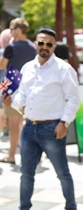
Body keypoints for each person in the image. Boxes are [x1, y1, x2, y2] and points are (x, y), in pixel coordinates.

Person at [3, 27, 80, 210]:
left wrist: (64, 123)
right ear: (35, 43)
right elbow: (22, 95)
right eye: (41, 43)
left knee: (62, 173)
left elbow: (73, 99)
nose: (44, 47)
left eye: (48, 44)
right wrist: (12, 101)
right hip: (29, 128)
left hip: (52, 129)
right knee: (26, 173)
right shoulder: (28, 67)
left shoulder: (64, 69)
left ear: (54, 46)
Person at [0, 18, 36, 165]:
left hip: (13, 89)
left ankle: (11, 156)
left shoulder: (11, 47)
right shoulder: (33, 47)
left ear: (19, 30)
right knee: (20, 122)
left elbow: (2, 65)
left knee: (13, 124)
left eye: (12, 28)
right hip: (29, 89)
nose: (10, 31)